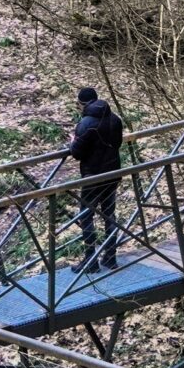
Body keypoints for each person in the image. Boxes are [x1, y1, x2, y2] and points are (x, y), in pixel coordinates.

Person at [64, 86, 126, 272]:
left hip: (92, 176)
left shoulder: (85, 123)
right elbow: (118, 143)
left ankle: (91, 261)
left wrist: (73, 140)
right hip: (112, 173)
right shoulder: (115, 119)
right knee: (109, 214)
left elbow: (76, 153)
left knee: (86, 216)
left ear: (82, 104)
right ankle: (110, 257)